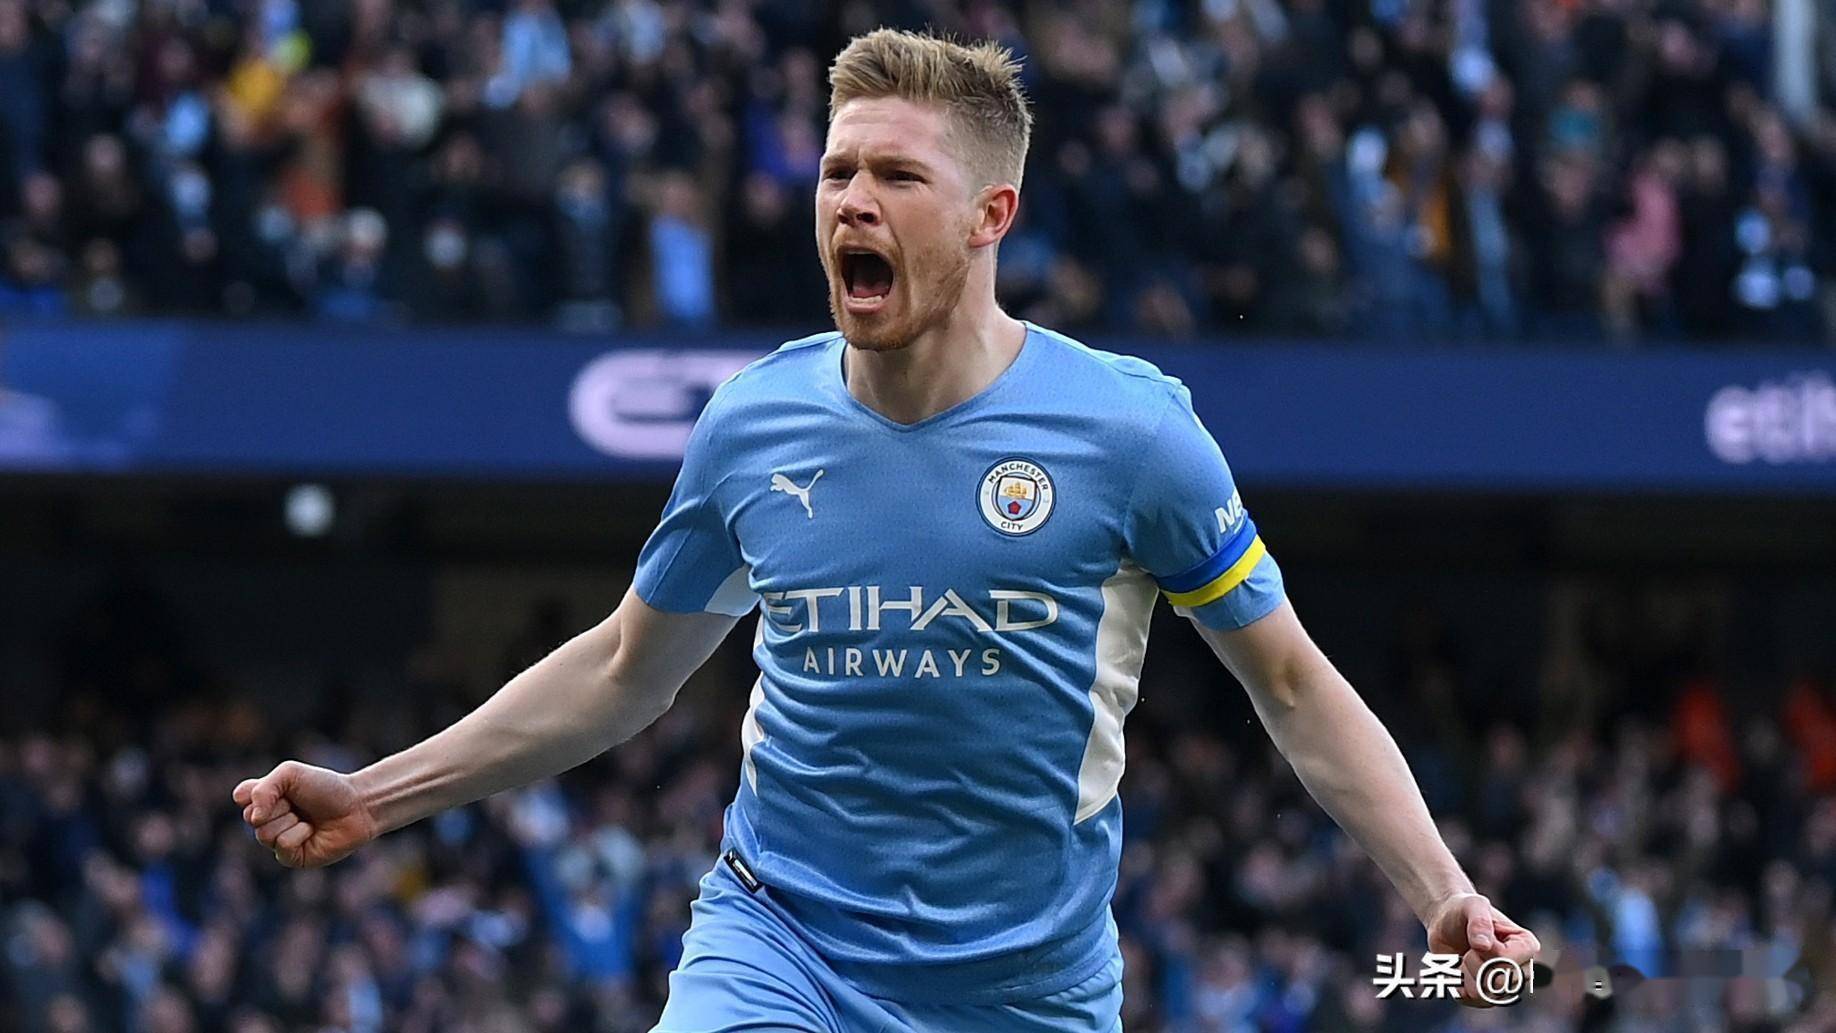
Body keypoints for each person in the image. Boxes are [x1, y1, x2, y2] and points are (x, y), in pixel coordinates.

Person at [234, 29, 1541, 1031]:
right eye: (837, 171)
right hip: (781, 948)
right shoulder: (754, 425)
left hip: (1024, 991)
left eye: (898, 175)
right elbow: (626, 667)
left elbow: (1293, 684)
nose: (851, 201)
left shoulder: (1130, 435)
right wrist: (376, 794)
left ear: (990, 217)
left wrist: (1442, 892)